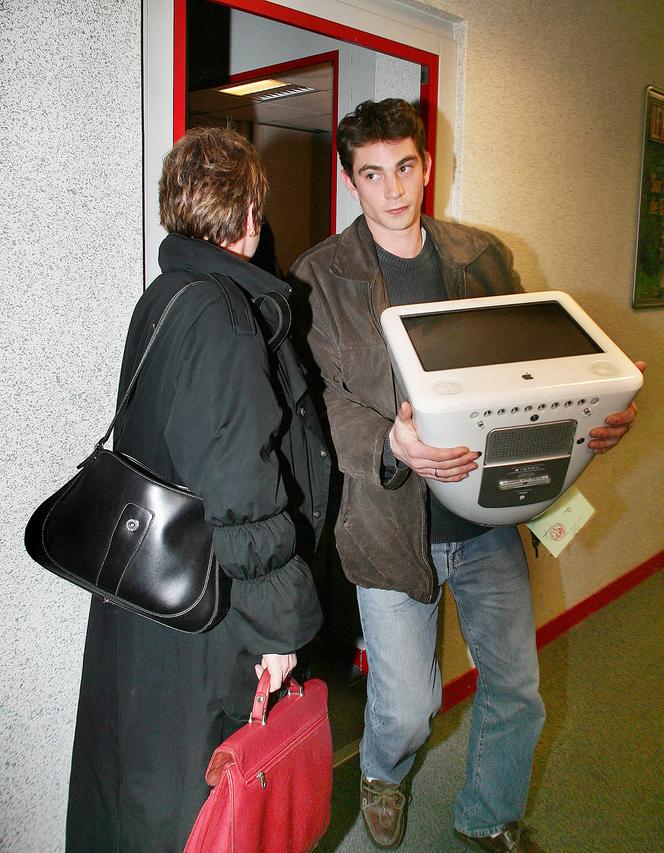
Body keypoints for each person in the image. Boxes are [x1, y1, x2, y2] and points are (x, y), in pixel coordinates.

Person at [289, 98, 643, 853]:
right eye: (374, 174)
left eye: (406, 167)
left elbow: (532, 377)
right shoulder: (321, 277)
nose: (394, 190)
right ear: (352, 179)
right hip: (388, 524)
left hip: (485, 517)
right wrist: (392, 439)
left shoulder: (481, 257)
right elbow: (317, 402)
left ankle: (488, 811)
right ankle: (385, 770)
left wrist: (591, 420)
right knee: (409, 707)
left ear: (426, 164)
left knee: (516, 686)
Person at [66, 126, 329, 852]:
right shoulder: (222, 314)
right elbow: (242, 496)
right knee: (201, 799)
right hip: (209, 608)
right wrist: (280, 632)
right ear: (250, 217)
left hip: (153, 586)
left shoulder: (166, 295)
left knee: (140, 781)